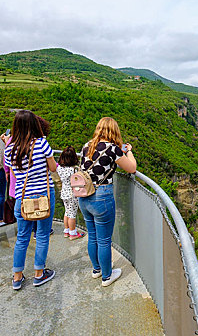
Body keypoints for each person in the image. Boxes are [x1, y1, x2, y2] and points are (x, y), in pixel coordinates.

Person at [79, 117, 136, 287]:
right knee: (104, 240)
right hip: (101, 195)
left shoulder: (86, 146)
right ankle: (107, 276)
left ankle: (97, 270)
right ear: (114, 131)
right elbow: (132, 168)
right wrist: (128, 152)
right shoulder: (113, 149)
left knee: (93, 236)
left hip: (84, 196)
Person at [5, 110, 57, 290]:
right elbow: (52, 167)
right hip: (44, 195)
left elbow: (13, 174)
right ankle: (38, 274)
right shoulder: (42, 144)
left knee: (22, 237)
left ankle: (17, 277)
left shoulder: (9, 148)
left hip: (22, 197)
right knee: (42, 235)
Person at [57, 146, 85, 240]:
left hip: (64, 192)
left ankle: (66, 231)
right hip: (72, 194)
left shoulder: (60, 168)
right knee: (72, 214)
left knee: (67, 212)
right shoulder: (73, 170)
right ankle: (73, 233)